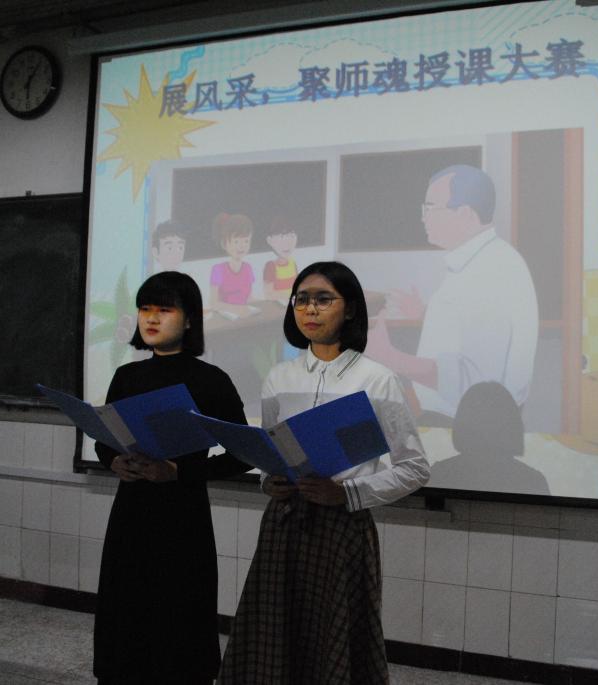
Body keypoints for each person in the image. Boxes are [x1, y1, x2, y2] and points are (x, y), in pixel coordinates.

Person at [218, 261, 430, 685]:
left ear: (349, 309)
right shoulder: (279, 378)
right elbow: (272, 453)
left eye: (323, 299)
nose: (310, 309)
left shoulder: (377, 379)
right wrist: (269, 480)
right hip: (283, 523)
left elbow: (415, 467)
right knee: (274, 635)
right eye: (301, 300)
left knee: (334, 639)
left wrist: (348, 493)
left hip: (342, 525)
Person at [92, 271, 251, 685]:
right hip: (130, 514)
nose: (151, 318)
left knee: (179, 623)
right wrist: (113, 461)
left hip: (183, 518)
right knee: (125, 615)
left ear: (190, 318)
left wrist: (181, 471)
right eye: (145, 308)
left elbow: (244, 453)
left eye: (164, 309)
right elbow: (105, 439)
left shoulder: (211, 380)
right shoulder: (127, 376)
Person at [367, 164, 539, 415]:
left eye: (430, 208)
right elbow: (471, 329)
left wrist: (389, 357)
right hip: (460, 417)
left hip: (466, 425)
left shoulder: (490, 271)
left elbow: (473, 381)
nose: (423, 218)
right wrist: (426, 313)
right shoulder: (483, 260)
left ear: (465, 214)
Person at [209, 212, 255, 314]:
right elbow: (213, 303)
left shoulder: (248, 268)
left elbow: (249, 298)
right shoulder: (218, 269)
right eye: (236, 242)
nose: (241, 246)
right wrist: (236, 309)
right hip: (226, 317)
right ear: (224, 243)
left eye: (246, 241)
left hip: (246, 315)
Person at [261, 215, 298, 303]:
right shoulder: (270, 266)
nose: (287, 243)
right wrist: (289, 295)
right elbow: (268, 294)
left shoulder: (293, 264)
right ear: (270, 240)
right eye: (281, 237)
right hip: (278, 307)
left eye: (291, 236)